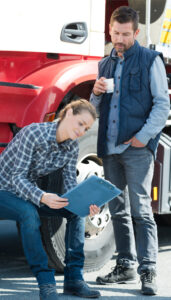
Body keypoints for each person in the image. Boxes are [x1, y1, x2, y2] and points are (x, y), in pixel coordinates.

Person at [90, 6, 170, 296]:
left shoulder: (151, 60)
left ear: (136, 32)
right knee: (119, 210)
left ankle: (148, 270)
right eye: (115, 33)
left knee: (141, 210)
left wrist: (143, 137)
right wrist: (96, 93)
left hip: (137, 148)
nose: (120, 39)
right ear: (109, 32)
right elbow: (95, 108)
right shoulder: (104, 64)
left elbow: (162, 105)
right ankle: (125, 266)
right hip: (109, 149)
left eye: (125, 34)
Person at [0, 99, 101, 300]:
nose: (82, 131)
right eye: (80, 123)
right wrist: (43, 196)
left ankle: (74, 279)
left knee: (76, 212)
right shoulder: (33, 133)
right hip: (4, 190)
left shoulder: (71, 147)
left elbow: (70, 183)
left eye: (87, 128)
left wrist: (83, 203)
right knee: (28, 214)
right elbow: (16, 177)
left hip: (29, 194)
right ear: (69, 113)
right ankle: (46, 282)